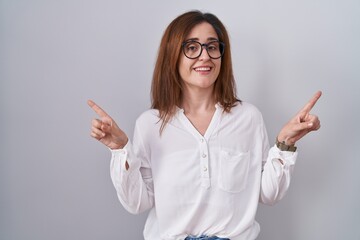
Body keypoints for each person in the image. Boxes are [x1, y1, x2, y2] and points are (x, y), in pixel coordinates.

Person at [88, 10, 321, 240]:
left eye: (212, 47)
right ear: (173, 56)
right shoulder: (150, 124)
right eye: (191, 47)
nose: (205, 56)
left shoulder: (248, 118)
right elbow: (137, 203)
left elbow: (269, 194)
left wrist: (285, 143)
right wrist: (120, 150)